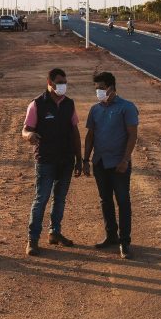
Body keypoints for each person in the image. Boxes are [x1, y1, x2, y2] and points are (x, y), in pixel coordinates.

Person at [22, 69, 83, 256]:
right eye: (59, 82)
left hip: (66, 160)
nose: (63, 85)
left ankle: (54, 232)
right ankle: (32, 240)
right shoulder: (37, 105)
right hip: (46, 160)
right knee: (41, 199)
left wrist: (79, 159)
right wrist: (29, 135)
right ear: (49, 82)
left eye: (65, 82)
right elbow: (25, 130)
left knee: (60, 199)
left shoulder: (69, 104)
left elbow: (75, 132)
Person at [83, 71, 139, 259]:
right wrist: (85, 160)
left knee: (123, 201)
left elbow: (132, 135)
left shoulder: (127, 107)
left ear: (111, 88)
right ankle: (111, 236)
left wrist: (125, 160)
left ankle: (125, 242)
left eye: (101, 88)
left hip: (119, 164)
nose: (98, 91)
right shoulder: (95, 109)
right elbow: (90, 136)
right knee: (105, 201)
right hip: (100, 162)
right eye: (96, 88)